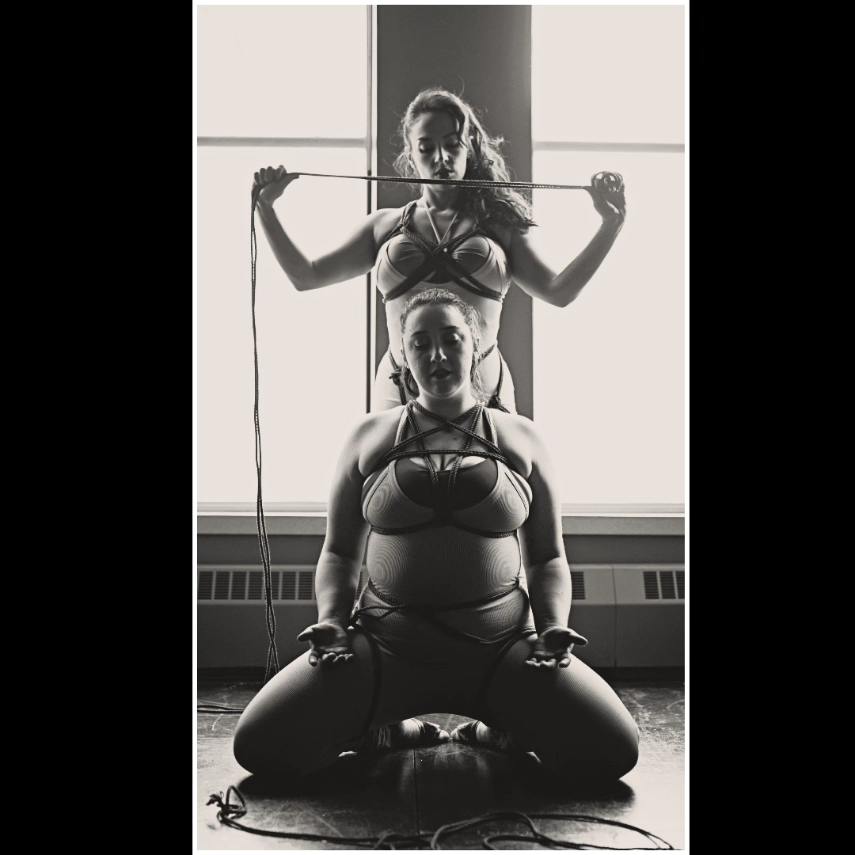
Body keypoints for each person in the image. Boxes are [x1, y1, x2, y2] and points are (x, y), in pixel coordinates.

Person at [233, 288, 639, 784]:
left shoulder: (522, 438)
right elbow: (339, 554)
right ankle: (391, 730)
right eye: (421, 343)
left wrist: (551, 627)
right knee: (259, 746)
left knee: (614, 751)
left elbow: (548, 557)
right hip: (386, 648)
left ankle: (498, 731)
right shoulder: (368, 436)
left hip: (501, 649)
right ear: (404, 356)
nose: (437, 355)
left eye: (451, 339)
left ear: (477, 345)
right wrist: (333, 621)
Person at [252, 87, 626, 413]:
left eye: (452, 145)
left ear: (470, 150)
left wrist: (610, 226)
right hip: (398, 392)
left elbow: (559, 291)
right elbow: (306, 276)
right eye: (427, 148)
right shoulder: (383, 226)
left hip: (484, 392)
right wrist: (266, 210)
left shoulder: (499, 224)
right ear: (410, 155)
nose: (442, 158)